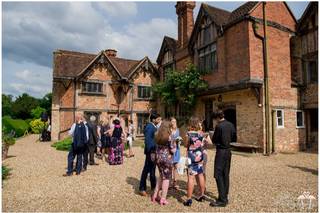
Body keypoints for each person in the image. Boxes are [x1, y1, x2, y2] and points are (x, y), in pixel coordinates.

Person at [210, 110, 236, 207]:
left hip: (221, 151)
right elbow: (234, 137)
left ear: (217, 118)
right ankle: (225, 196)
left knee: (218, 174)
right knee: (226, 174)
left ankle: (222, 199)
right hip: (228, 151)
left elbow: (214, 140)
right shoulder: (230, 124)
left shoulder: (219, 126)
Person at [151, 121, 176, 205]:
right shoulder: (169, 137)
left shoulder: (157, 135)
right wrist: (176, 146)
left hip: (158, 158)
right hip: (166, 159)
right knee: (166, 179)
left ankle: (155, 195)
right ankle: (163, 198)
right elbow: (173, 149)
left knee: (161, 176)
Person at [183, 116, 206, 206]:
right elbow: (203, 144)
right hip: (200, 156)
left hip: (191, 157)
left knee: (191, 177)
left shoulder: (188, 134)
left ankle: (188, 199)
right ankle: (202, 194)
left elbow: (185, 144)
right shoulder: (201, 133)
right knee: (200, 175)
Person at [139, 112, 161, 196]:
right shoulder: (149, 127)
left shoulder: (153, 126)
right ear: (153, 119)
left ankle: (153, 186)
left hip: (154, 151)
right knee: (146, 170)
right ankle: (142, 188)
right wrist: (151, 152)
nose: (159, 121)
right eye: (158, 119)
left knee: (152, 169)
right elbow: (148, 141)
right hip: (150, 152)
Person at [170, 117, 181, 189]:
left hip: (177, 150)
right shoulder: (169, 130)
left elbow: (179, 139)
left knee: (176, 166)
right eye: (173, 121)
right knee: (170, 167)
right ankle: (170, 183)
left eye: (175, 121)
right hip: (170, 150)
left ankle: (175, 182)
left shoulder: (178, 130)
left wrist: (179, 140)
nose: (174, 123)